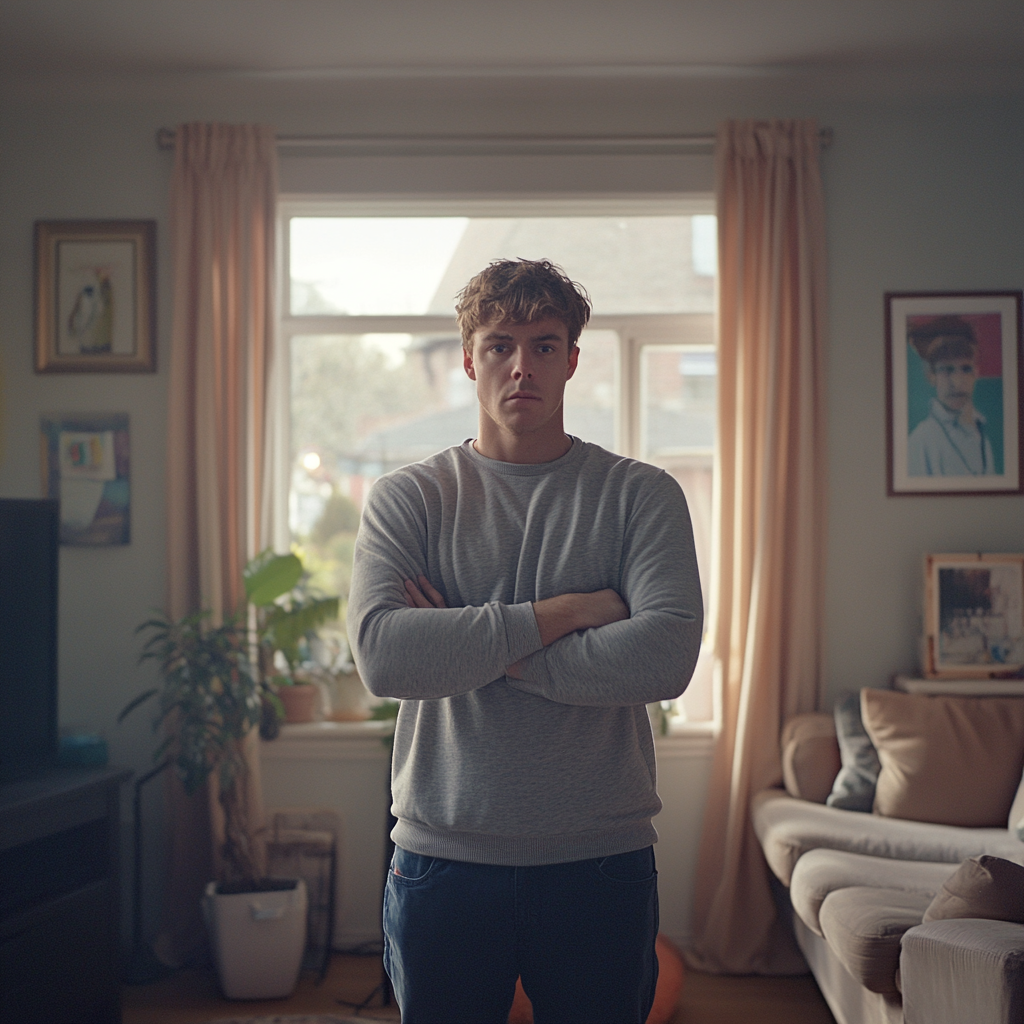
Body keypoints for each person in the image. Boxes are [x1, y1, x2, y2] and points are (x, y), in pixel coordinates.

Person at [347, 259, 703, 1024]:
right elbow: (384, 655)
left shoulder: (640, 495)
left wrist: (472, 643)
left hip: (600, 860)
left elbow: (666, 657)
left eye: (544, 346)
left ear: (573, 360)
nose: (522, 366)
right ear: (470, 358)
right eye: (501, 344)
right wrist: (567, 612)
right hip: (443, 859)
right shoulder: (409, 498)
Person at [906, 315, 996, 476]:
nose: (957, 382)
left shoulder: (982, 436)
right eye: (947, 370)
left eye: (966, 369)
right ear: (931, 376)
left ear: (976, 372)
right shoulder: (920, 441)